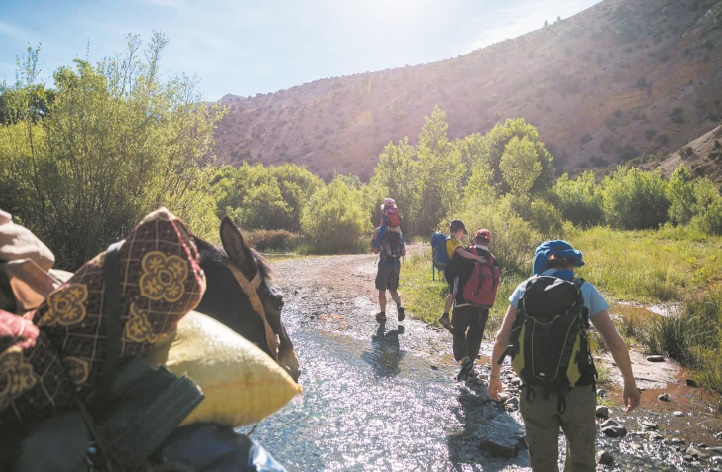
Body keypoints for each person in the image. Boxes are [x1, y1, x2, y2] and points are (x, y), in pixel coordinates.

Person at [488, 240, 640, 472]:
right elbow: (615, 343)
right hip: (578, 390)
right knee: (581, 462)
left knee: (542, 463)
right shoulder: (584, 289)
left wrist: (494, 377)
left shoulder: (524, 288)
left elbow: (501, 339)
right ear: (570, 264)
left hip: (534, 391)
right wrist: (629, 382)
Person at [450, 229, 499, 382]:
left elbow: (451, 272)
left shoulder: (466, 252)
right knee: (476, 335)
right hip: (484, 305)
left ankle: (465, 360)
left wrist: (453, 293)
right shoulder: (493, 260)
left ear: (475, 239)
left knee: (458, 331)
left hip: (464, 301)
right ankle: (470, 367)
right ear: (488, 242)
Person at [438, 219, 486, 331]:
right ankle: (445, 316)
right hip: (453, 271)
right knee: (453, 293)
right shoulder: (453, 241)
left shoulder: (449, 240)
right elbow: (461, 253)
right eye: (462, 233)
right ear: (459, 230)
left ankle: (448, 316)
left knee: (454, 292)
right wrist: (477, 258)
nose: (462, 236)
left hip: (451, 270)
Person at [371, 222, 406, 323]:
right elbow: (403, 252)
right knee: (393, 290)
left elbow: (375, 251)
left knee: (382, 290)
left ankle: (382, 314)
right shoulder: (398, 230)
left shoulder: (378, 230)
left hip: (384, 263)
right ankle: (400, 306)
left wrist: (373, 240)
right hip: (396, 264)